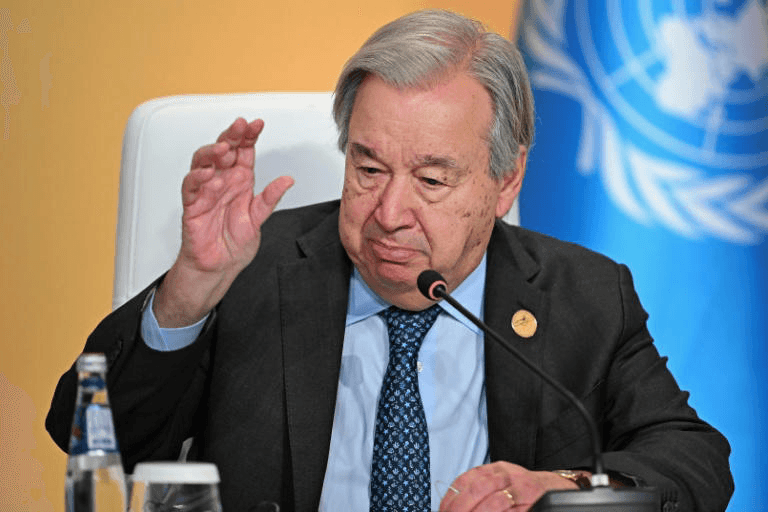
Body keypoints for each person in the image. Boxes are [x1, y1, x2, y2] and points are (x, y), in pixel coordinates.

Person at [47, 9, 733, 512]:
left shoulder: (583, 294)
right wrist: (191, 288)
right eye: (369, 168)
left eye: (431, 180)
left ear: (506, 181)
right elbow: (94, 444)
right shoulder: (252, 266)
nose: (389, 212)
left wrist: (565, 488)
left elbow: (697, 462)